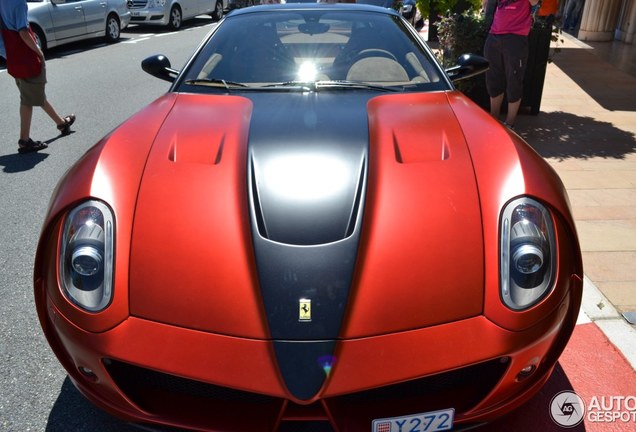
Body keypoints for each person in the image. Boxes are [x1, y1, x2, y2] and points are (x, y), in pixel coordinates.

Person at [0, 0, 75, 154]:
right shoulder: (18, 3)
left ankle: (61, 123)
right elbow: (23, 31)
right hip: (27, 57)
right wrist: (39, 52)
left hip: (14, 58)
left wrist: (7, 54)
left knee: (34, 93)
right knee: (28, 98)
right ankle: (25, 140)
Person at [482, 0, 539, 129]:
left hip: (516, 37)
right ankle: (494, 119)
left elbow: (535, 2)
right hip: (494, 34)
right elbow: (486, 6)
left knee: (514, 80)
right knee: (493, 80)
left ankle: (510, 124)